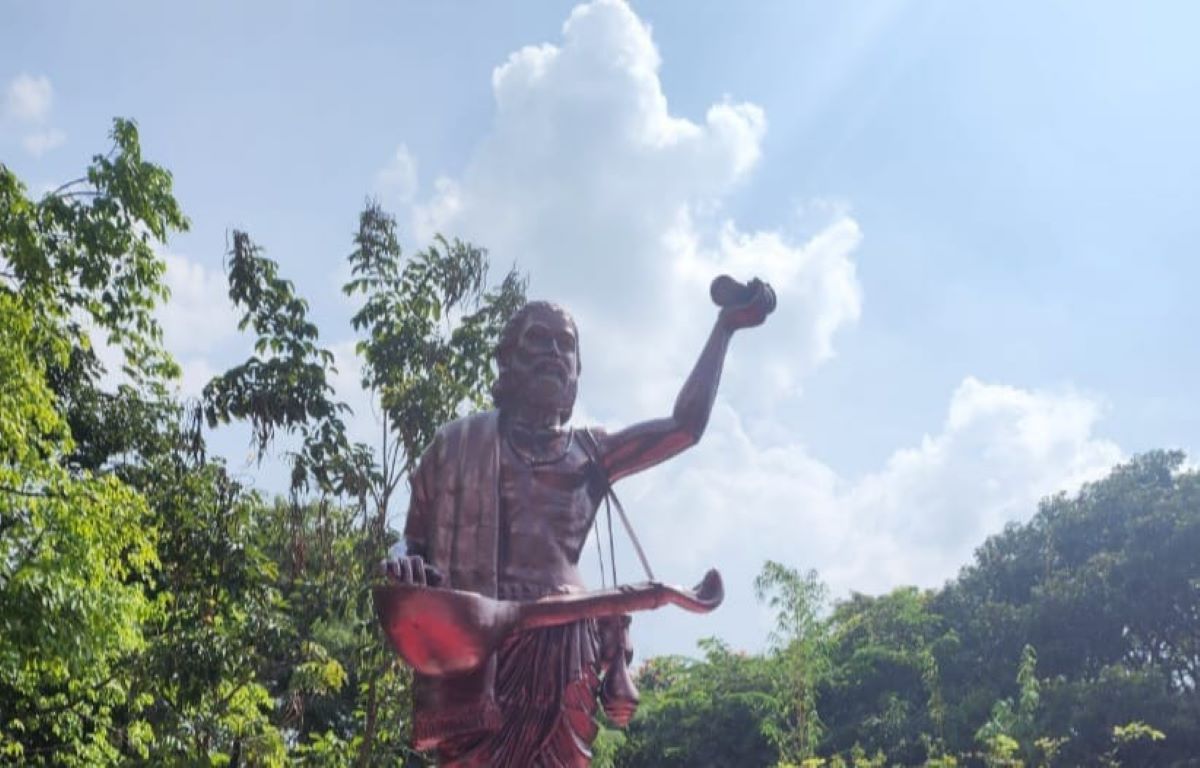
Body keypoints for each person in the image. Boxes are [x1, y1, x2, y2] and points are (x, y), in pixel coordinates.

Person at [385, 280, 775, 766]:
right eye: (538, 339)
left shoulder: (590, 452)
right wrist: (403, 566)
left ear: (577, 370)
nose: (553, 351)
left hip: (564, 645)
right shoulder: (456, 446)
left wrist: (724, 330)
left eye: (565, 344)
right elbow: (411, 543)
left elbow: (684, 428)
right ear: (507, 360)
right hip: (482, 652)